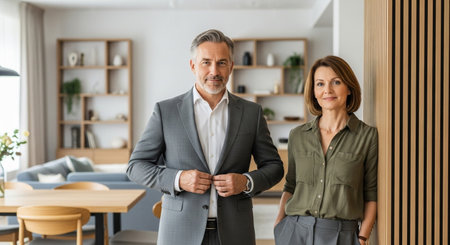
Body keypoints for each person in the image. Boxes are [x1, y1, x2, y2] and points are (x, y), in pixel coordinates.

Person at [127, 29, 284, 245]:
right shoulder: (166, 112)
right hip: (179, 233)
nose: (214, 70)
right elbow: (135, 166)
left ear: (231, 66)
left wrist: (246, 182)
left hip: (235, 233)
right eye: (206, 62)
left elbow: (274, 167)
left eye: (221, 62)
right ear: (193, 66)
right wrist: (178, 179)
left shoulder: (251, 113)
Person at [274, 55, 377, 245]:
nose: (327, 90)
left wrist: (362, 238)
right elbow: (290, 186)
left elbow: (371, 193)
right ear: (313, 91)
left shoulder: (367, 136)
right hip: (294, 231)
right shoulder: (298, 135)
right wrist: (278, 225)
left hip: (341, 235)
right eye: (320, 84)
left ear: (349, 88)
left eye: (336, 82)